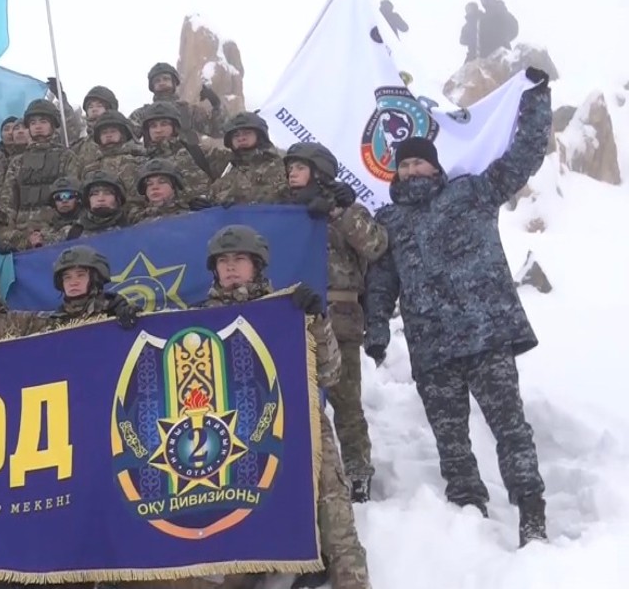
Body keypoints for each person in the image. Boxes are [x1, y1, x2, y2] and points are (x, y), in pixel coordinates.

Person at [365, 68, 552, 547]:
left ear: (434, 167)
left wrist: (535, 98)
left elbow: (524, 156)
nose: (411, 170)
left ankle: (531, 512)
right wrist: (377, 328)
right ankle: (468, 514)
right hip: (433, 351)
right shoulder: (391, 221)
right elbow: (382, 283)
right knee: (451, 443)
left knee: (511, 430)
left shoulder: (471, 192)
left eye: (419, 163)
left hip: (486, 335)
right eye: (404, 165)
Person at [195, 225, 369, 589]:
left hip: (298, 421)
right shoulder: (194, 322)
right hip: (232, 435)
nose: (230, 267)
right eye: (223, 261)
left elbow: (330, 374)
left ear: (257, 264)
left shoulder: (289, 308)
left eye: (239, 259)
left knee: (334, 510)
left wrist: (318, 322)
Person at [281, 142, 388, 502]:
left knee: (346, 401)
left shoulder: (345, 210)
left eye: (300, 167)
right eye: (290, 168)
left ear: (320, 171)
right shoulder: (280, 211)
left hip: (340, 317)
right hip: (293, 317)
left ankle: (357, 471)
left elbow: (375, 245)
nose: (291, 173)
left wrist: (338, 212)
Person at [3, 99, 79, 225]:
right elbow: (8, 202)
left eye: (43, 122)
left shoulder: (66, 157)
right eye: (33, 123)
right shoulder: (18, 162)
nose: (38, 126)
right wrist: (11, 230)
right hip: (22, 228)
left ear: (53, 125)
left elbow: (74, 197)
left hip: (57, 227)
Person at [128, 62, 225, 142]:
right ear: (152, 86)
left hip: (187, 158)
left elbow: (218, 131)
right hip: (153, 158)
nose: (161, 82)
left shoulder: (189, 111)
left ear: (174, 82)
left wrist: (216, 106)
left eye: (166, 79)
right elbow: (126, 138)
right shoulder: (142, 114)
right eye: (157, 81)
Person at [48, 245, 139, 328]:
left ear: (95, 279)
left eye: (80, 275)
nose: (73, 283)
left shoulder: (114, 307)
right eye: (67, 277)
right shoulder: (54, 322)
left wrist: (131, 314)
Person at [209, 111, 286, 205]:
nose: (241, 138)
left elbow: (275, 198)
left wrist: (236, 200)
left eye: (247, 133)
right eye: (236, 135)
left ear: (259, 136)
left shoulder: (276, 166)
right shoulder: (229, 168)